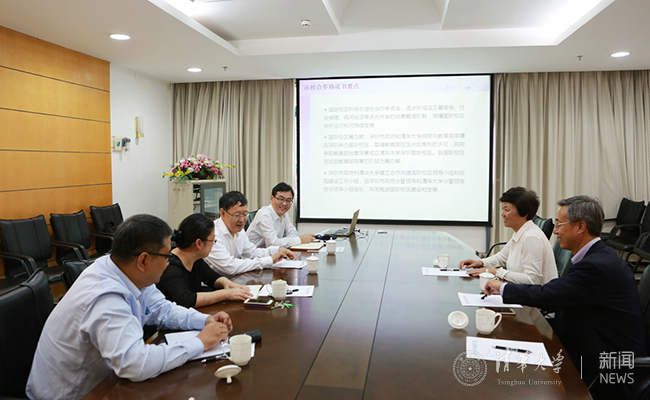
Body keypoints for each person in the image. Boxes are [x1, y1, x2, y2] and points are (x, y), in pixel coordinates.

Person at [26, 214, 233, 400]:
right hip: (77, 394)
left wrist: (205, 320)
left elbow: (162, 309)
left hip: (107, 380)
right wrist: (199, 343)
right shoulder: (106, 296)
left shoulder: (125, 270)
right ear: (143, 260)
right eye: (166, 256)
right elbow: (135, 364)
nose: (169, 262)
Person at [484, 196, 646, 399]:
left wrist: (503, 288)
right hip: (586, 345)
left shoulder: (597, 265)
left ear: (580, 227)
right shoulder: (595, 256)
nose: (555, 231)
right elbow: (561, 295)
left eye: (559, 224)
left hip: (605, 367)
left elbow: (549, 295)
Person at [459, 187, 557, 285]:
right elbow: (502, 258)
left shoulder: (531, 237)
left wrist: (495, 272)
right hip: (518, 289)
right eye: (503, 209)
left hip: (533, 294)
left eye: (507, 210)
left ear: (524, 213)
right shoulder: (520, 231)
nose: (502, 214)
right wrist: (480, 263)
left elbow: (532, 280)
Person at [157, 214, 252, 308]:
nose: (213, 244)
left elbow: (212, 278)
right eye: (212, 240)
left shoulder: (195, 258)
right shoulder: (170, 266)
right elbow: (186, 300)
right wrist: (226, 294)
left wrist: (227, 283)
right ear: (199, 243)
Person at [205, 190, 297, 275]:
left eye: (245, 214)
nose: (242, 220)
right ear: (223, 213)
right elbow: (230, 266)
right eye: (237, 215)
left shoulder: (239, 230)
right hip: (214, 284)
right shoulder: (212, 234)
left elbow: (252, 253)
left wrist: (277, 250)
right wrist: (269, 260)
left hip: (233, 279)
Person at [246, 182, 315, 248]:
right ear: (271, 198)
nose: (284, 204)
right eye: (281, 199)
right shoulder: (264, 214)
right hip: (253, 254)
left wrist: (286, 241)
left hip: (270, 253)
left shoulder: (284, 215)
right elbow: (273, 244)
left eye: (288, 200)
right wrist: (299, 240)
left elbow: (293, 233)